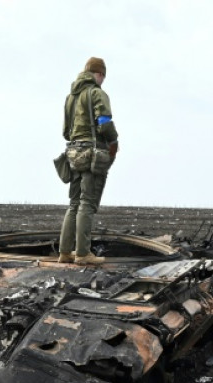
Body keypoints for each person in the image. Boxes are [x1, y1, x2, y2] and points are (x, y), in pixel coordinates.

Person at [58, 57, 119, 265]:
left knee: (74, 203)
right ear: (99, 74)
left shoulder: (70, 98)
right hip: (92, 153)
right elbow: (104, 122)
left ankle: (65, 252)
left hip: (72, 153)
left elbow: (66, 132)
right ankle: (83, 253)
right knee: (87, 203)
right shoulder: (96, 93)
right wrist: (114, 141)